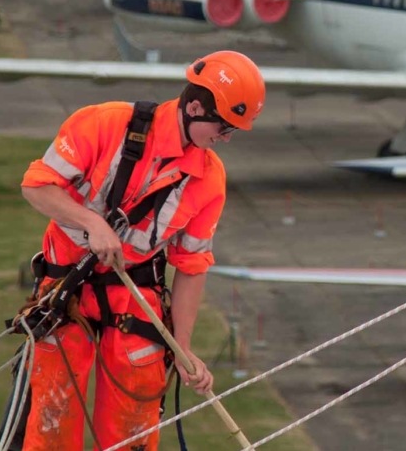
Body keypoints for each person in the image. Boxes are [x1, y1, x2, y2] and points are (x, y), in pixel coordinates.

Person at [15, 50, 265, 450]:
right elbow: (36, 186)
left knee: (136, 412)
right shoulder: (104, 124)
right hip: (67, 284)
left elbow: (192, 265)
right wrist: (93, 224)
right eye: (223, 126)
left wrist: (182, 348)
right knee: (54, 412)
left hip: (133, 290)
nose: (227, 138)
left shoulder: (208, 179)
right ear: (195, 106)